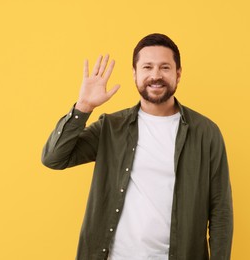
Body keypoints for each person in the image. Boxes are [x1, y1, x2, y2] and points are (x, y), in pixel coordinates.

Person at [42, 33, 233, 260]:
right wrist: (83, 107)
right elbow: (54, 158)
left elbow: (221, 211)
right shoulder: (111, 128)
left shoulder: (205, 132)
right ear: (134, 73)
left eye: (164, 67)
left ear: (178, 74)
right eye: (147, 67)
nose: (155, 76)